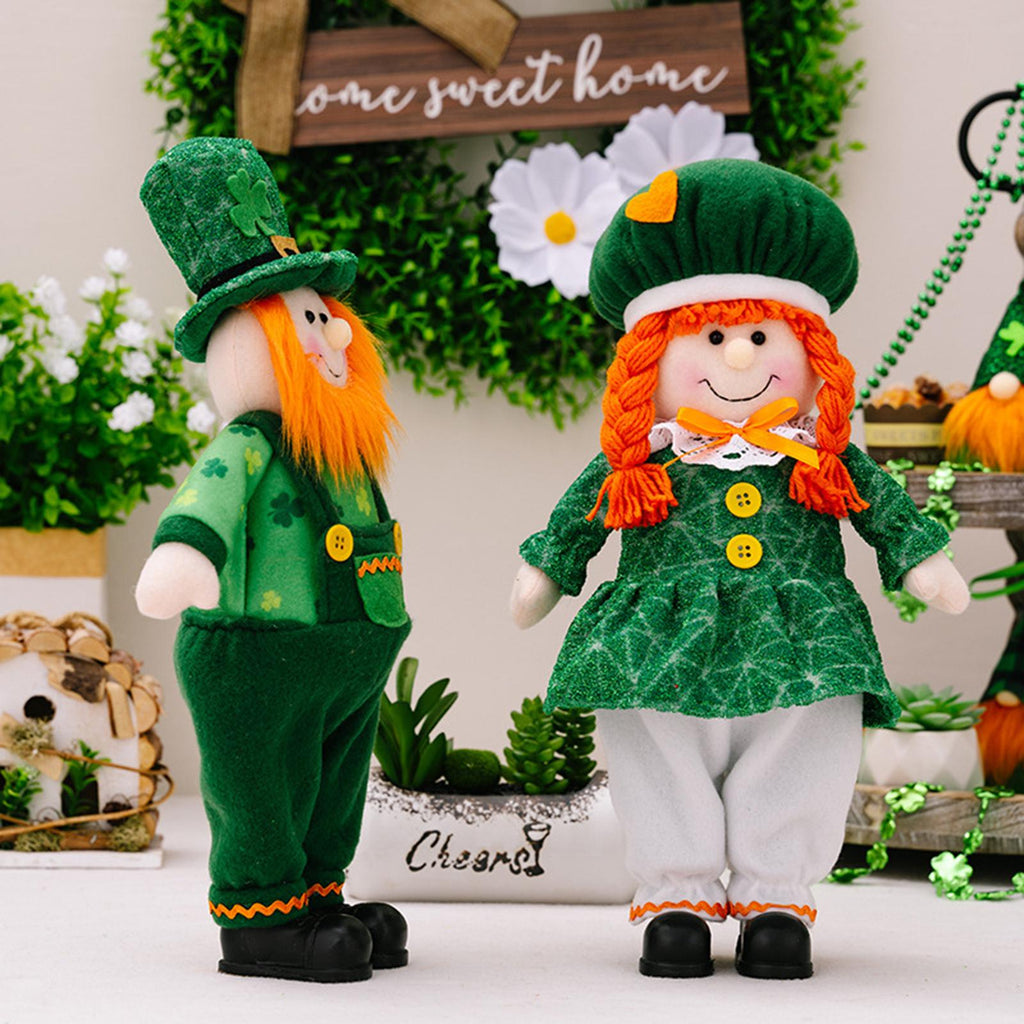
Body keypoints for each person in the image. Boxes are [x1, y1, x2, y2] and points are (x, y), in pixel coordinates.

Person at [511, 160, 969, 980]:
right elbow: (580, 516)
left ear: (809, 352)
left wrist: (919, 560)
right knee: (655, 741)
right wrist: (547, 569)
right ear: (650, 358)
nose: (736, 360)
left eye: (761, 338)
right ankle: (676, 898)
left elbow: (883, 510)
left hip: (803, 636)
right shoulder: (642, 461)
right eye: (713, 339)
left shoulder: (821, 457)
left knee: (806, 738)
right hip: (658, 636)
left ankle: (775, 899)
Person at [135, 137, 410, 983]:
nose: (333, 332)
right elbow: (206, 501)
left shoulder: (344, 447)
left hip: (347, 657)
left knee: (333, 781)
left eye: (328, 315)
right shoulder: (249, 442)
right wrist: (185, 555)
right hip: (257, 655)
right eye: (308, 319)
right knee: (258, 781)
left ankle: (318, 895)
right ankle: (260, 920)